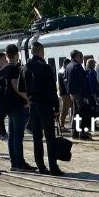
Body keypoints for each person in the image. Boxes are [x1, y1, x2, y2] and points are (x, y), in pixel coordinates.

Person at [24, 41, 63, 176]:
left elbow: (20, 88)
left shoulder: (26, 67)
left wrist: (29, 100)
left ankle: (41, 166)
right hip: (45, 106)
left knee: (37, 138)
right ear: (41, 52)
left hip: (33, 106)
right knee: (50, 137)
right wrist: (56, 108)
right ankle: (53, 167)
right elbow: (52, 90)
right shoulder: (45, 68)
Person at [0, 44, 34, 172]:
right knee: (18, 136)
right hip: (18, 106)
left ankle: (14, 162)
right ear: (15, 54)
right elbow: (15, 85)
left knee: (12, 135)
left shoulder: (3, 69)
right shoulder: (14, 68)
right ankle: (19, 163)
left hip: (8, 106)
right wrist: (27, 98)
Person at [65, 50, 92, 140]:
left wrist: (70, 93)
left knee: (76, 114)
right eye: (81, 57)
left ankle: (75, 132)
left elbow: (66, 80)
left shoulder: (68, 66)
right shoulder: (77, 67)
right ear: (77, 56)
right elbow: (82, 82)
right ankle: (82, 132)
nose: (82, 59)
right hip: (80, 94)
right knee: (83, 113)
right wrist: (85, 96)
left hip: (73, 94)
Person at [58, 58, 71, 129]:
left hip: (63, 93)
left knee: (65, 110)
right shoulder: (63, 72)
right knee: (70, 108)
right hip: (65, 93)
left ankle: (62, 126)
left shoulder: (60, 71)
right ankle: (62, 125)